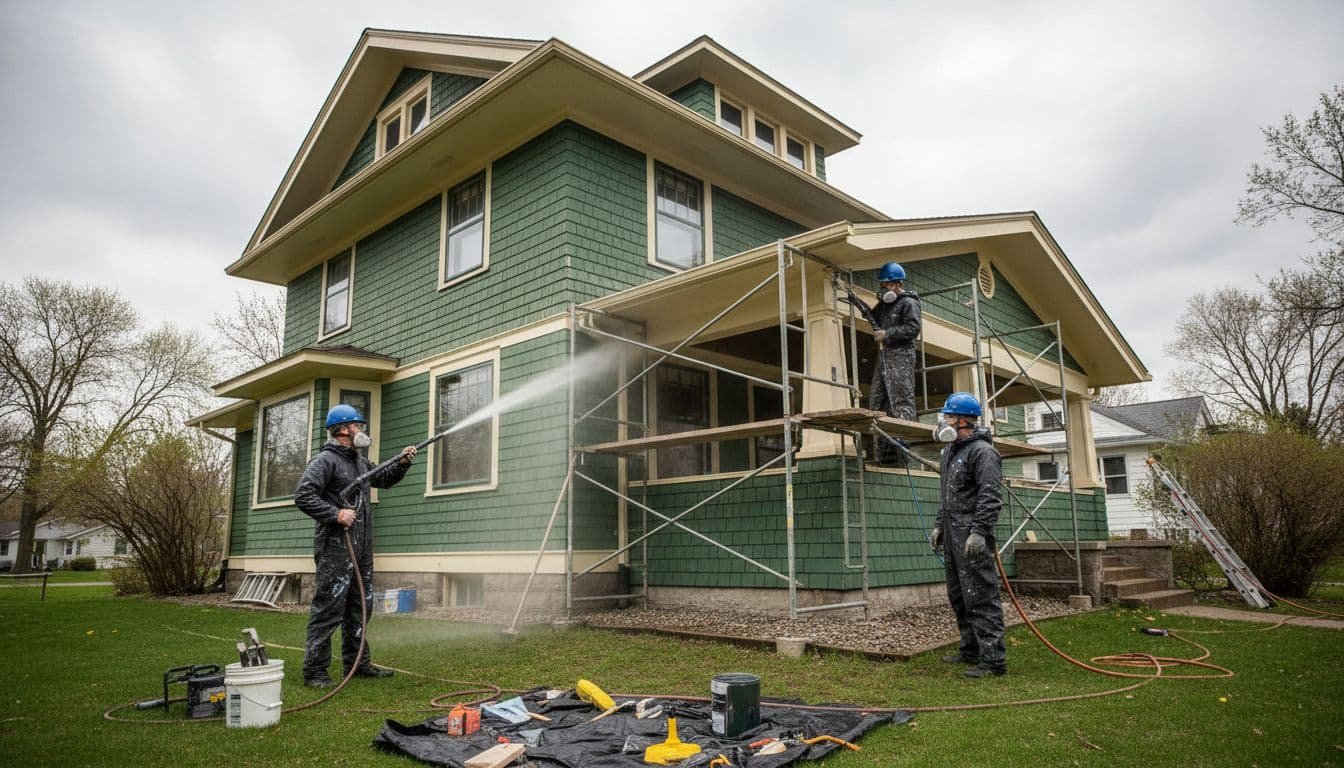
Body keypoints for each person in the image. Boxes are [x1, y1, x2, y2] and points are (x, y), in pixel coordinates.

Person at [295, 404, 418, 688]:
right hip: (336, 547)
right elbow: (303, 494)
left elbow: (384, 480)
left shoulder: (359, 461)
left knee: (361, 607)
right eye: (357, 426)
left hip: (361, 547)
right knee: (328, 609)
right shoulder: (325, 461)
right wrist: (335, 514)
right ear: (342, 430)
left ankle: (358, 664)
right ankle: (315, 671)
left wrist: (402, 463)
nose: (362, 430)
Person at [927, 392, 1006, 678]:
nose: (943, 421)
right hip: (951, 533)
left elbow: (990, 496)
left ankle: (993, 661)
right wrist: (939, 525)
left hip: (971, 535)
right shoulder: (950, 451)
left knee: (981, 595)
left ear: (962, 420)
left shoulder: (983, 452)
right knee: (959, 594)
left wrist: (979, 532)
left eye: (948, 416)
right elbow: (947, 496)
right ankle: (970, 649)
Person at [844, 261, 921, 465]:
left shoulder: (908, 303)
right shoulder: (885, 305)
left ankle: (903, 452)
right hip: (885, 356)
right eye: (883, 285)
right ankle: (881, 451)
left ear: (897, 284)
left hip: (901, 356)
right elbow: (872, 317)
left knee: (901, 399)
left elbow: (913, 329)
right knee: (877, 399)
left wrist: (888, 333)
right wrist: (853, 298)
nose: (884, 289)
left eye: (887, 285)